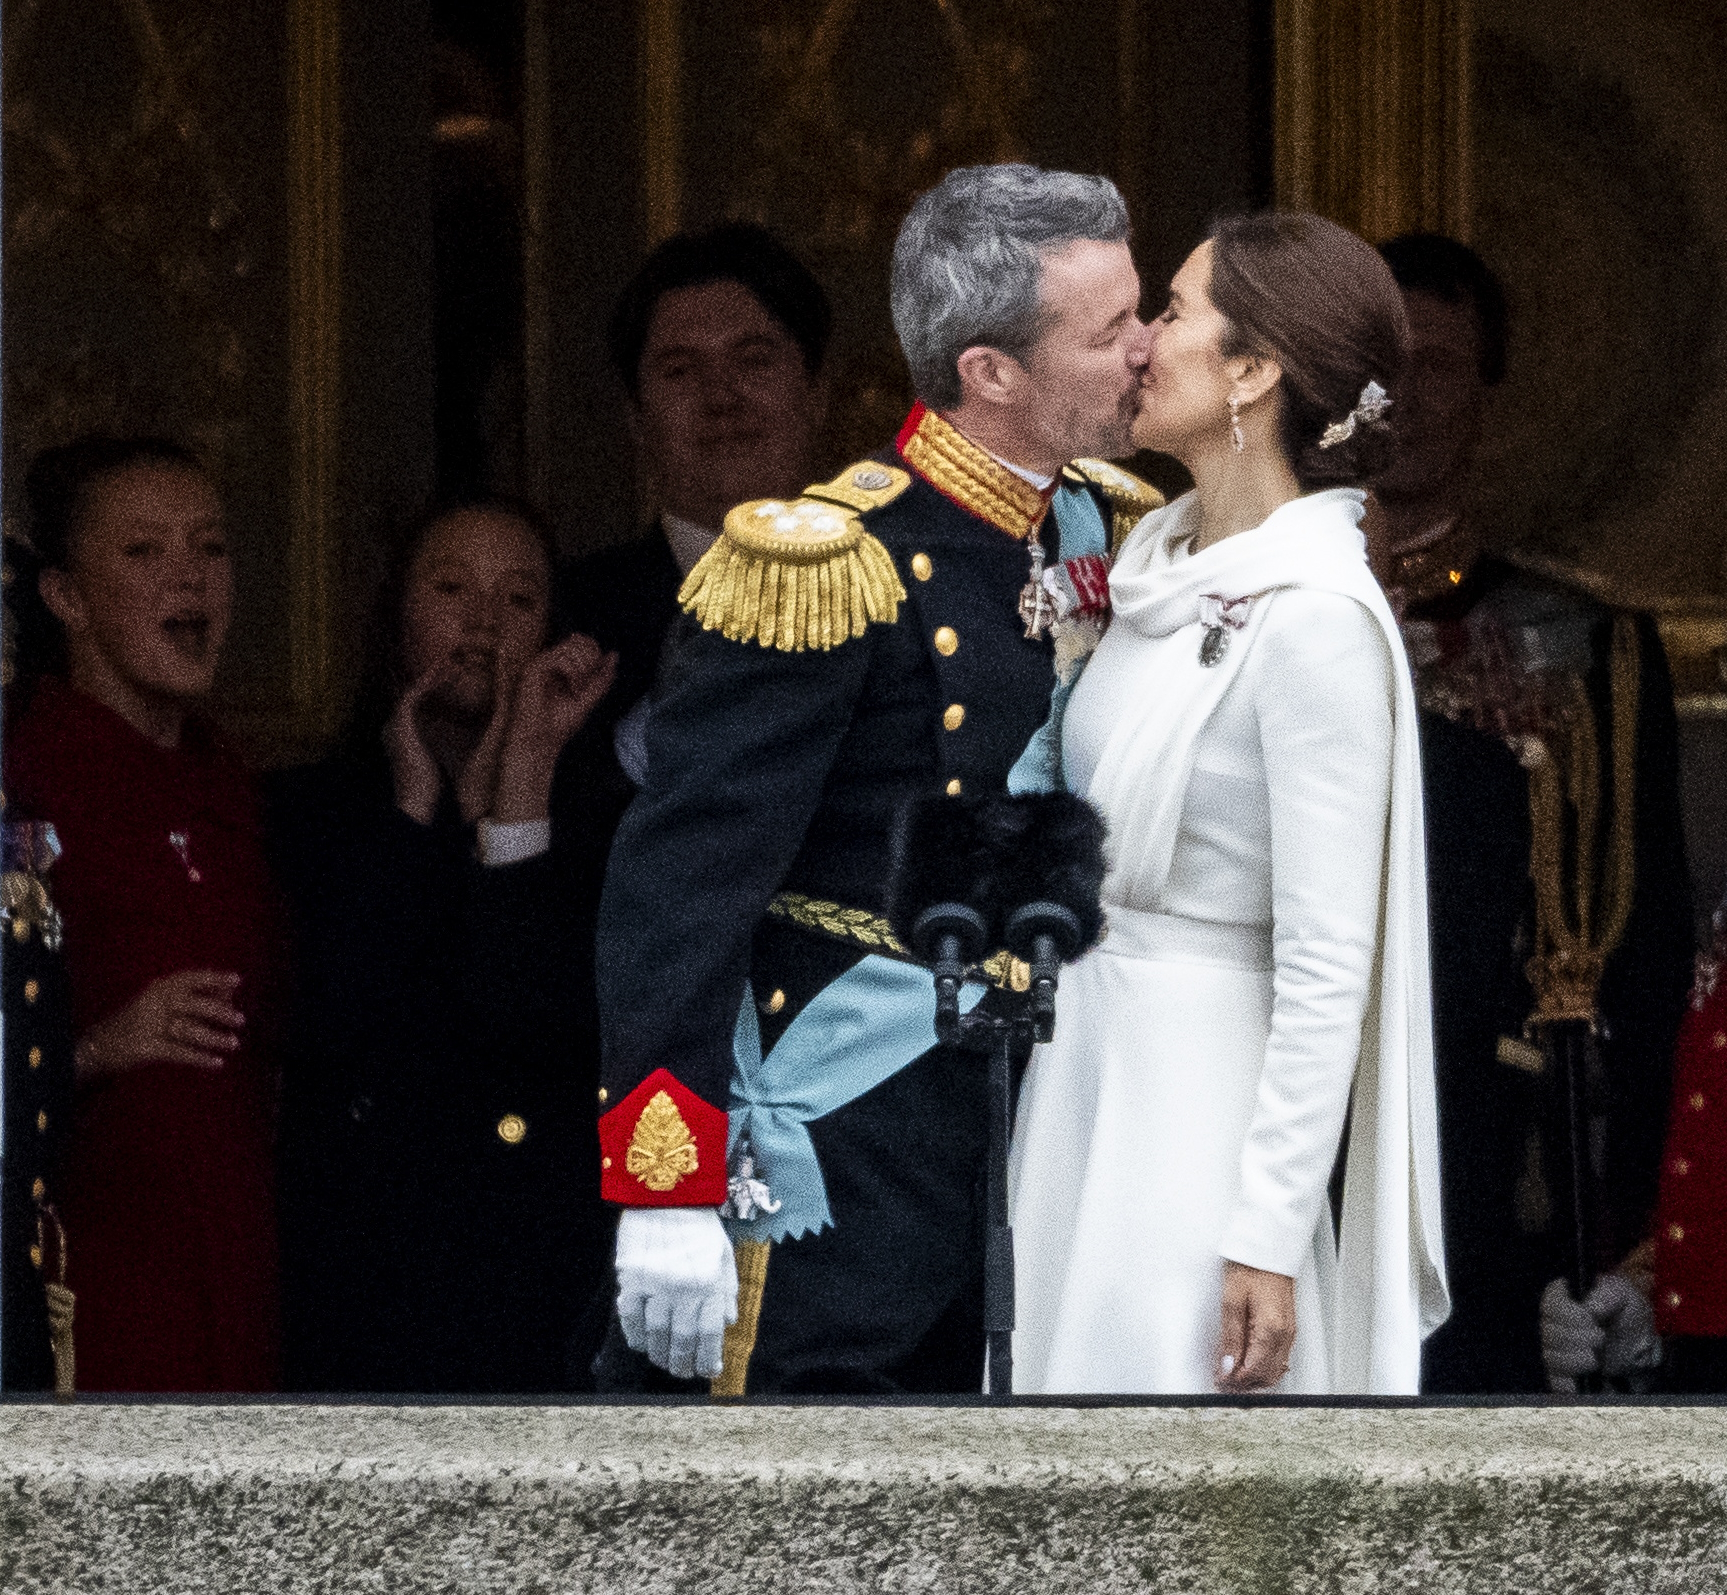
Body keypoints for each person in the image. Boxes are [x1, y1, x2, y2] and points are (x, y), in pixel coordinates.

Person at [593, 163, 1162, 1395]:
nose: (1146, 348)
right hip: (846, 1145)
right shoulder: (825, 562)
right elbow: (678, 886)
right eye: (1111, 327)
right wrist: (668, 1182)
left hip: (1044, 1135)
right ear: (989, 372)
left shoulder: (1114, 531)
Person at [1010, 213, 1449, 1395]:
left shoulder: (1313, 618)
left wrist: (1263, 1224)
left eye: (1175, 311)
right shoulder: (1153, 562)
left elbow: (1323, 958)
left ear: (1252, 369)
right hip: (1086, 1075)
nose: (1141, 342)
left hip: (1201, 1112)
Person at [1372, 234, 1694, 1394]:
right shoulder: (1240, 614)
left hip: (1504, 1156)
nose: (1401, 398)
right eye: (1378, 362)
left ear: (1487, 400)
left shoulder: (1586, 648)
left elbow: (1643, 961)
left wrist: (1617, 1241)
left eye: (1439, 366)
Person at [270, 500, 619, 1392]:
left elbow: (534, 1026)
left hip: (536, 1280)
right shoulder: (302, 812)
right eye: (451, 587)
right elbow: (330, 1022)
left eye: (519, 598)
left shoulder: (603, 826)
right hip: (364, 1280)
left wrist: (524, 784)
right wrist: (411, 809)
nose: (482, 621)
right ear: (396, 615)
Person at [4, 436, 285, 1392]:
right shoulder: (24, 785)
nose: (189, 579)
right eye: (142, 552)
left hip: (236, 1269)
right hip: (86, 1279)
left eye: (210, 549)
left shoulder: (229, 785)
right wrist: (93, 1048)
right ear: (65, 596)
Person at [561, 223, 833, 783]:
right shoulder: (566, 621)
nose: (721, 397)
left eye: (753, 361)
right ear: (636, 420)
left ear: (817, 396)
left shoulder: (917, 596)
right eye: (681, 371)